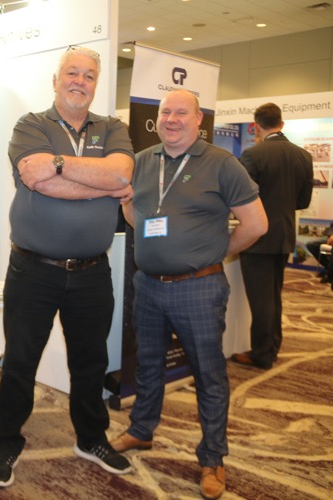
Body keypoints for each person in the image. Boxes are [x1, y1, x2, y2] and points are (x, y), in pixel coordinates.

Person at [0, 46, 135, 489]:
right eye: (72, 73)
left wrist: (58, 165)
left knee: (90, 361)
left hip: (92, 272)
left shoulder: (113, 128)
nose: (79, 82)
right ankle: (7, 441)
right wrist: (102, 183)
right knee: (20, 361)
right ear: (56, 80)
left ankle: (91, 438)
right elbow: (36, 180)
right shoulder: (31, 124)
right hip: (33, 270)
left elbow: (121, 175)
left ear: (96, 84)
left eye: (88, 75)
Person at [114, 89, 268, 499]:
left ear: (199, 119)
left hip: (199, 287)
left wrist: (216, 254)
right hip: (148, 284)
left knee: (208, 375)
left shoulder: (222, 164)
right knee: (147, 365)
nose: (172, 119)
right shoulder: (142, 161)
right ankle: (141, 430)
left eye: (182, 112)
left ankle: (212, 458)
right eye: (166, 112)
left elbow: (256, 225)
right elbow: (136, 216)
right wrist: (132, 212)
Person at [232, 103, 313, 370]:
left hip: (257, 237)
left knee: (261, 300)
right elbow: (303, 201)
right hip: (284, 236)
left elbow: (241, 198)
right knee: (274, 296)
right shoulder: (303, 155)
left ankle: (262, 354)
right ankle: (272, 347)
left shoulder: (253, 155)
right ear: (282, 123)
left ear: (256, 126)